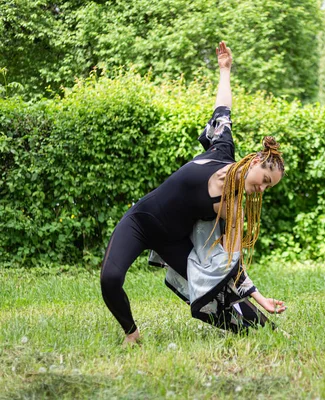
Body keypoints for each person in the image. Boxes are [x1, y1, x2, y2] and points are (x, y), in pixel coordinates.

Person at [100, 41, 286, 346]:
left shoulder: (234, 208)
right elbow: (223, 109)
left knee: (217, 289)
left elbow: (231, 265)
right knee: (110, 279)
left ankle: (267, 332)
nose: (262, 189)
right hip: (140, 221)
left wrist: (260, 298)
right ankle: (131, 334)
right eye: (264, 179)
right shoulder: (222, 150)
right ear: (253, 161)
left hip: (173, 241)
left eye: (268, 187)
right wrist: (225, 70)